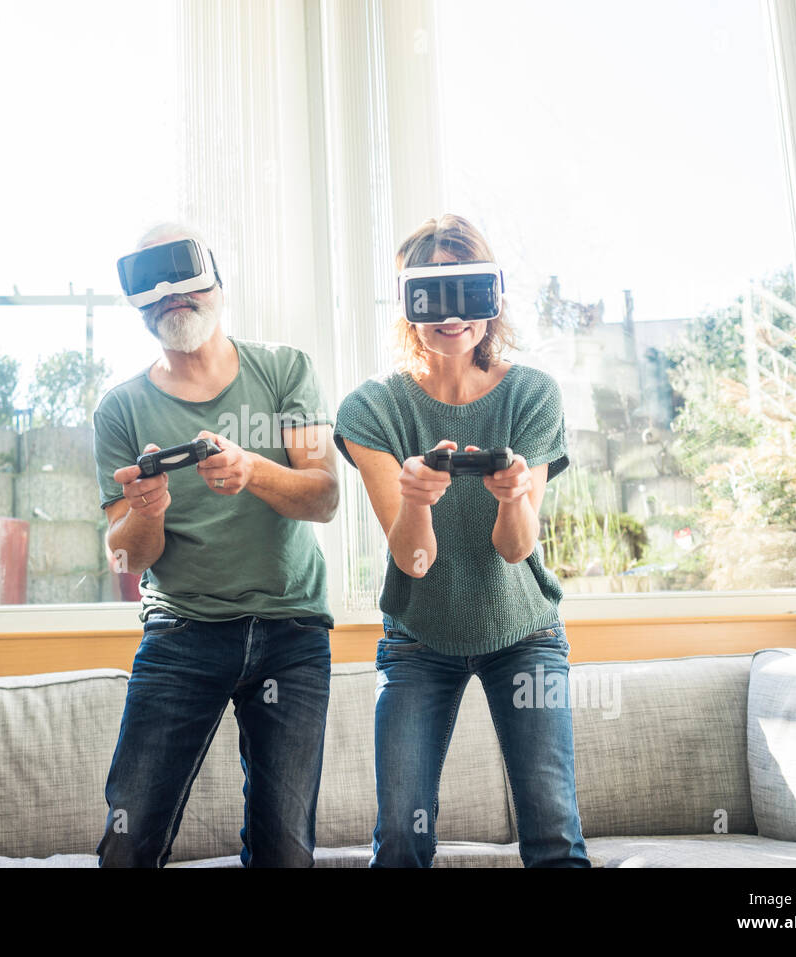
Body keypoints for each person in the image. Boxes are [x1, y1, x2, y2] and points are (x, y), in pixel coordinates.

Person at [332, 213, 590, 868]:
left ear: (495, 294)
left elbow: (514, 549)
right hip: (419, 637)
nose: (451, 314)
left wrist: (511, 497)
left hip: (525, 631)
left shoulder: (532, 393)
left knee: (554, 832)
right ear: (406, 303)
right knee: (401, 839)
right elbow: (412, 559)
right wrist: (417, 502)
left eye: (468, 290)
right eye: (431, 294)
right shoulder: (373, 408)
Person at [93, 222, 339, 867]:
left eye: (185, 284)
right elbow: (125, 557)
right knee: (129, 835)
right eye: (154, 291)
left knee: (285, 847)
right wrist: (148, 508)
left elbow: (324, 497)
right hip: (183, 633)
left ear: (218, 287)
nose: (172, 296)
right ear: (139, 308)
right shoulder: (120, 409)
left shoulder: (285, 369)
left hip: (292, 631)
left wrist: (253, 469)